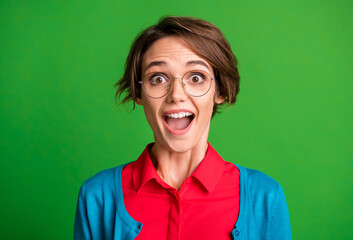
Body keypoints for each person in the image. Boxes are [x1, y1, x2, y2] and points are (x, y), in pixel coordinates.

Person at [74, 16, 292, 240]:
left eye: (196, 77)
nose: (176, 95)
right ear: (138, 94)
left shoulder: (265, 197)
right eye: (158, 78)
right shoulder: (97, 197)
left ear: (220, 91)